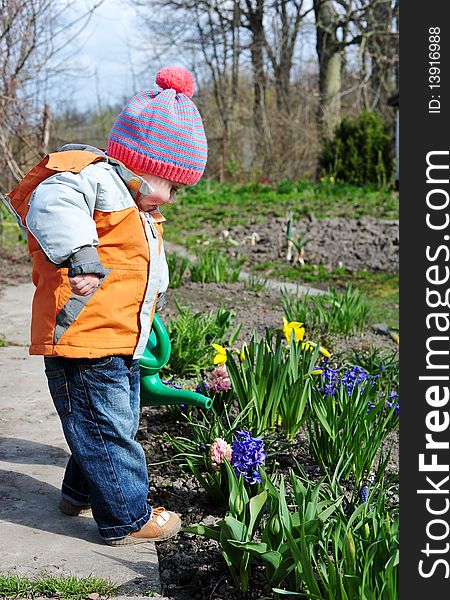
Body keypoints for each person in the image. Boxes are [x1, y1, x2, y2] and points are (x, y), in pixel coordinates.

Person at [6, 66, 208, 545]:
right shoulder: (88, 177)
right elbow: (52, 204)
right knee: (110, 430)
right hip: (84, 337)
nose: (173, 198)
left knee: (103, 423)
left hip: (115, 336)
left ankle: (79, 493)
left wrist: (148, 316)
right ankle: (127, 518)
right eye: (172, 185)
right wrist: (80, 256)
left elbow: (138, 272)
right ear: (144, 164)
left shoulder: (138, 207)